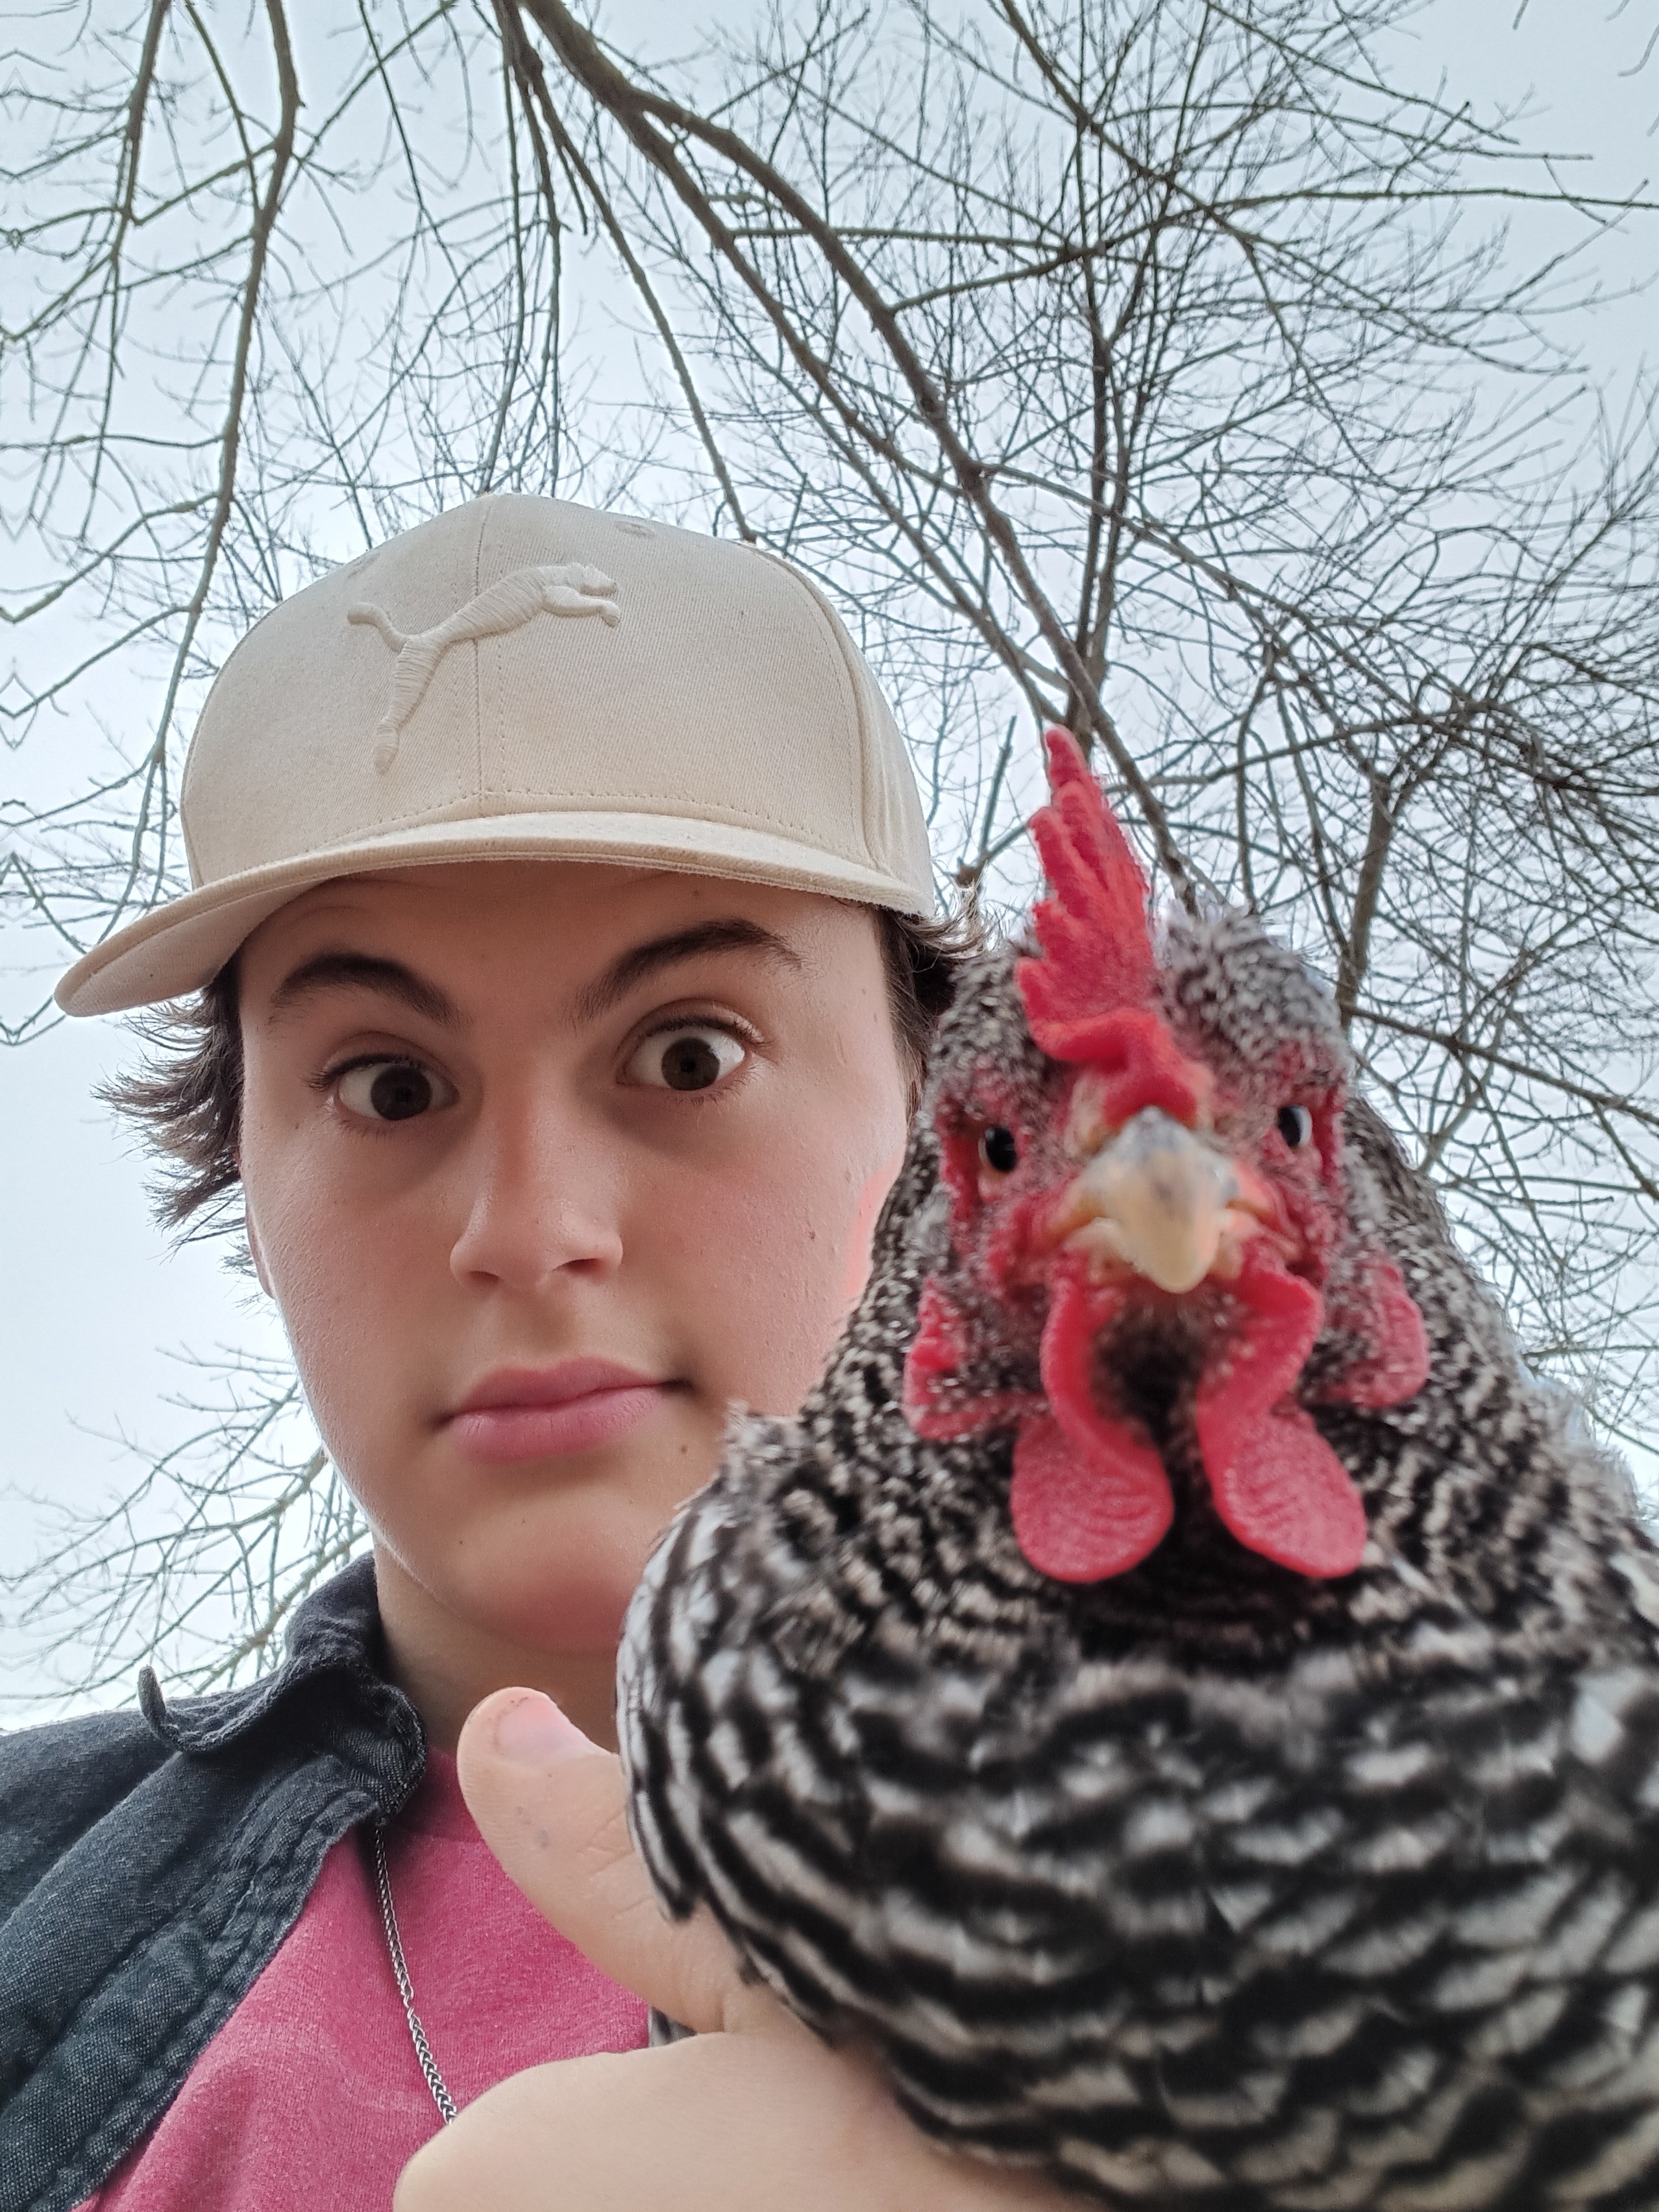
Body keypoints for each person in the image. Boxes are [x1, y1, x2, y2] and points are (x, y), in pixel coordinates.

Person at [3, 495, 1069, 2212]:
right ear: (246, 1183)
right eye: (390, 1086)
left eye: (690, 1054)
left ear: (942, 1127)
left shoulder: (1417, 1882)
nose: (528, 1225)